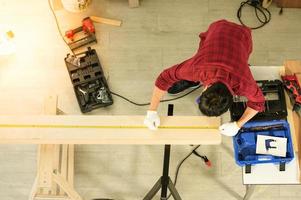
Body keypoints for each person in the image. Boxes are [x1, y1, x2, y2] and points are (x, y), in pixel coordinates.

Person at [144, 19, 265, 136]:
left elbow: (259, 102)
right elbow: (164, 78)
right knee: (196, 62)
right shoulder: (196, 68)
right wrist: (151, 111)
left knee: (230, 57)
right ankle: (191, 81)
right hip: (220, 30)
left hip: (239, 35)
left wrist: (238, 125)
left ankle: (192, 81)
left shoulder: (244, 82)